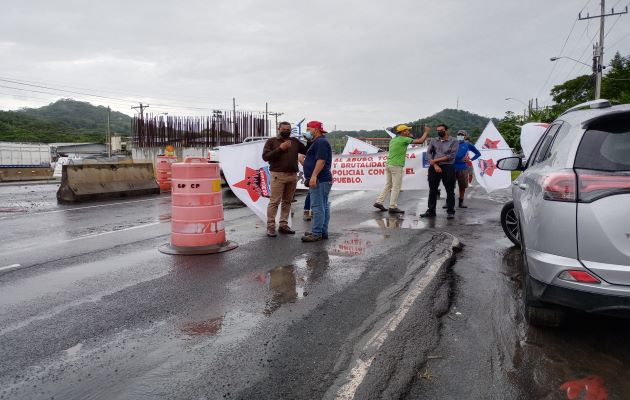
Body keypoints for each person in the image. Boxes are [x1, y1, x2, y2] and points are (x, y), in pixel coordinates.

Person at [262, 121, 307, 237]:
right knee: (274, 202)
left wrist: (310, 140)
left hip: (292, 175)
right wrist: (280, 148)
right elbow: (265, 157)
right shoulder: (272, 141)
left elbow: (307, 150)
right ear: (279, 129)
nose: (286, 131)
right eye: (284, 129)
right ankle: (271, 227)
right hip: (278, 175)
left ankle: (283, 224)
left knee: (287, 202)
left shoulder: (295, 141)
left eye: (288, 129)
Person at [374, 124, 430, 214]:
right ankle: (392, 206)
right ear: (403, 132)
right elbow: (420, 141)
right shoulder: (404, 139)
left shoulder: (394, 139)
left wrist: (409, 136)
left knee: (388, 185)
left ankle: (379, 202)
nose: (409, 132)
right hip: (397, 165)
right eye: (407, 130)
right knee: (396, 186)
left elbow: (408, 140)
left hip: (389, 164)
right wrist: (426, 132)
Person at [301, 121, 333, 242]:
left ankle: (317, 233)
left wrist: (314, 176)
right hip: (321, 179)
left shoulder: (320, 142)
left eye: (309, 129)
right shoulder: (319, 142)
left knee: (318, 206)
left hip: (320, 179)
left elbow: (321, 160)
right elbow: (314, 162)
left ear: (316, 129)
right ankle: (321, 231)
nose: (307, 131)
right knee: (323, 205)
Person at [420, 124, 458, 219]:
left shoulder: (454, 141)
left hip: (448, 166)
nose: (439, 131)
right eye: (438, 130)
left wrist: (435, 161)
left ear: (446, 130)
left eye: (441, 130)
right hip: (434, 167)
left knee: (450, 190)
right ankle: (431, 211)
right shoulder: (434, 140)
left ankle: (450, 211)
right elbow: (429, 153)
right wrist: (435, 165)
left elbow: (451, 156)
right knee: (432, 189)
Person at [453, 130, 480, 208]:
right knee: (450, 186)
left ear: (465, 136)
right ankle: (448, 202)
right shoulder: (452, 143)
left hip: (463, 168)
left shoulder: (468, 144)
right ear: (457, 135)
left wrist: (470, 160)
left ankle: (461, 202)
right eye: (459, 134)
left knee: (462, 186)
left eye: (462, 134)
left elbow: (478, 153)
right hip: (452, 168)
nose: (460, 135)